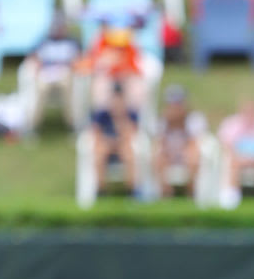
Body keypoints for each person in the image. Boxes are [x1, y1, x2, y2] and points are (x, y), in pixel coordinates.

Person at [83, 26, 148, 195]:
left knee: (129, 152)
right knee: (99, 152)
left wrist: (120, 121)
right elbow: (95, 132)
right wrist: (107, 143)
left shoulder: (129, 112)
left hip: (122, 143)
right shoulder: (102, 112)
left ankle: (133, 190)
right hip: (107, 143)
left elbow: (130, 133)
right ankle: (100, 190)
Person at [153, 83, 209, 201]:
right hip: (168, 154)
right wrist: (169, 125)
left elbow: (194, 143)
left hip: (186, 155)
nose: (175, 108)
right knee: (158, 158)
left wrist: (182, 123)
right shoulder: (163, 121)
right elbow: (160, 143)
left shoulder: (194, 119)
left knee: (192, 156)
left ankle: (191, 192)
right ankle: (165, 194)